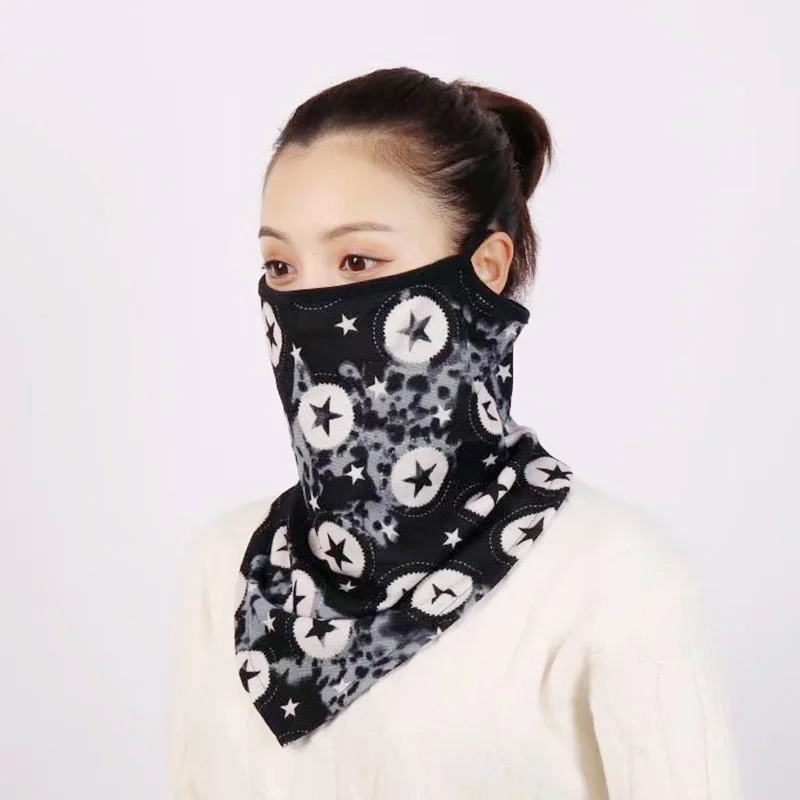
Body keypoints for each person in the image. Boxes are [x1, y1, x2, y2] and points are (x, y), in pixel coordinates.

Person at [167, 67, 744, 799]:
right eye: (281, 265)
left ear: (486, 269)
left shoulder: (613, 577)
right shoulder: (228, 566)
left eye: (357, 261)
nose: (307, 306)